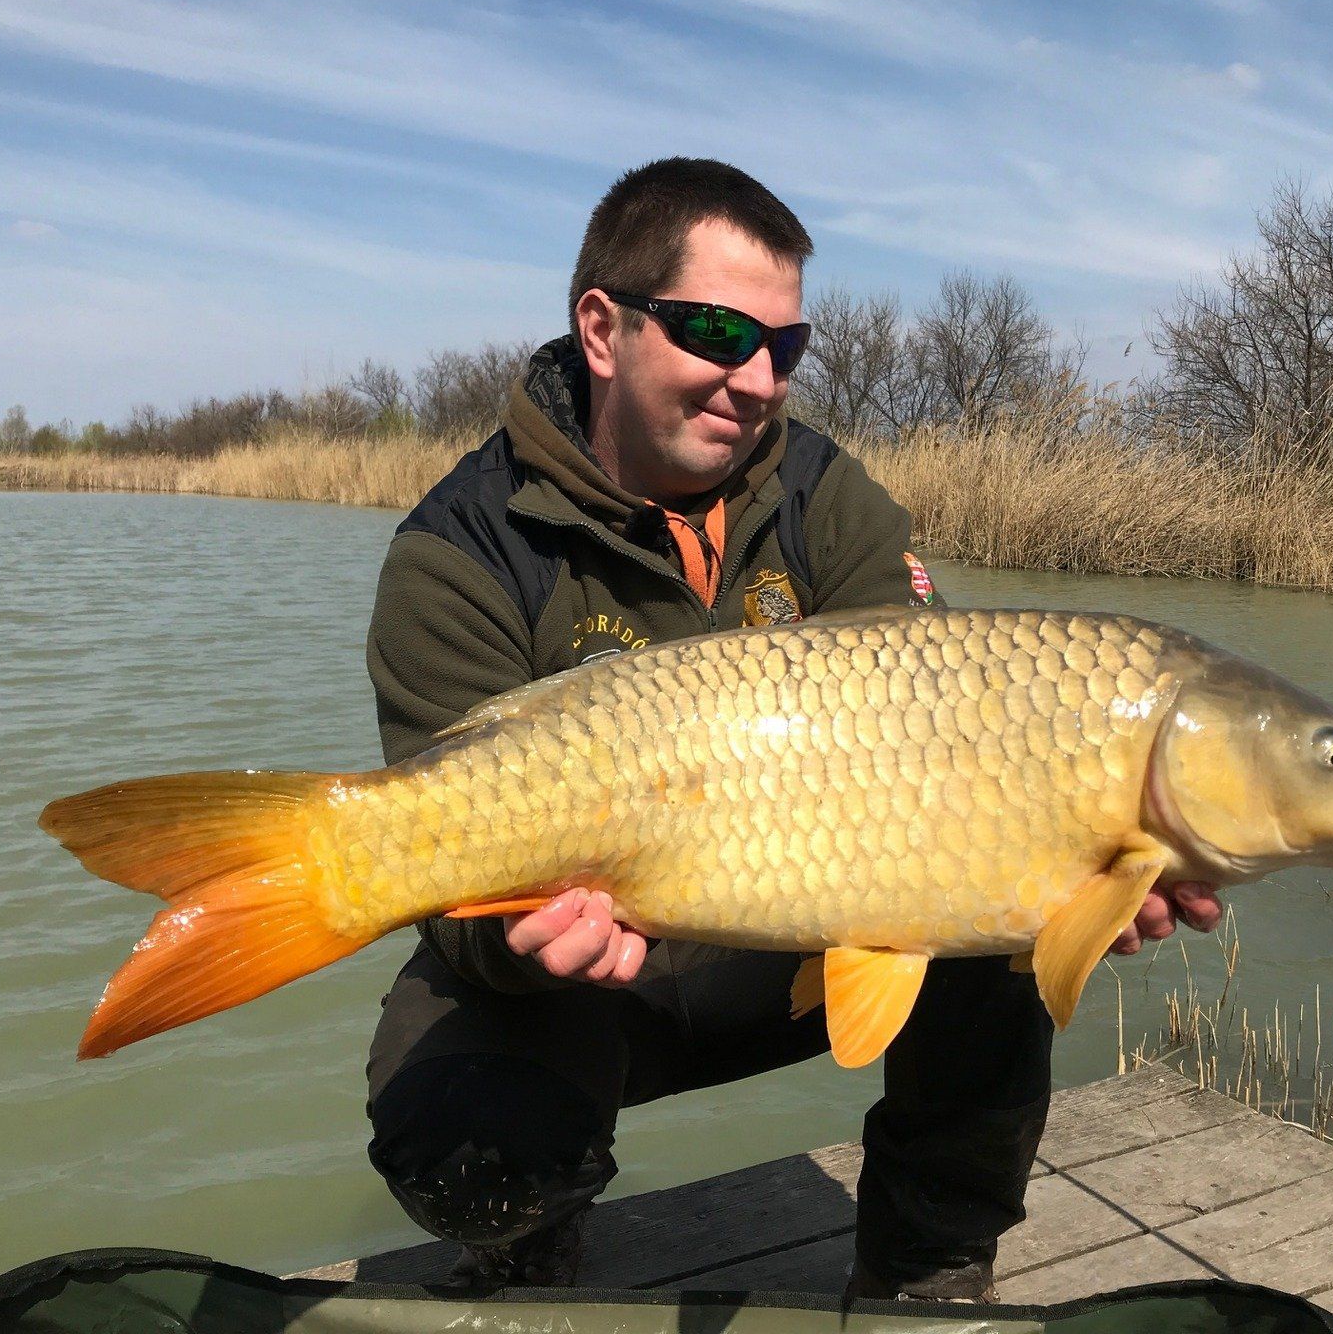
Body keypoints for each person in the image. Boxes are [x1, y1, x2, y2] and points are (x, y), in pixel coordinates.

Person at [363, 157, 1223, 1301]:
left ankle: (928, 1267)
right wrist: (514, 946)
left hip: (796, 952)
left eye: (786, 347)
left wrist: (1091, 868)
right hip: (593, 978)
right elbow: (438, 873)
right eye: (719, 332)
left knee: (1000, 918)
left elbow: (963, 737)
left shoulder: (824, 495)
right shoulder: (459, 551)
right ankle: (528, 1234)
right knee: (455, 1122)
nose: (757, 378)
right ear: (602, 327)